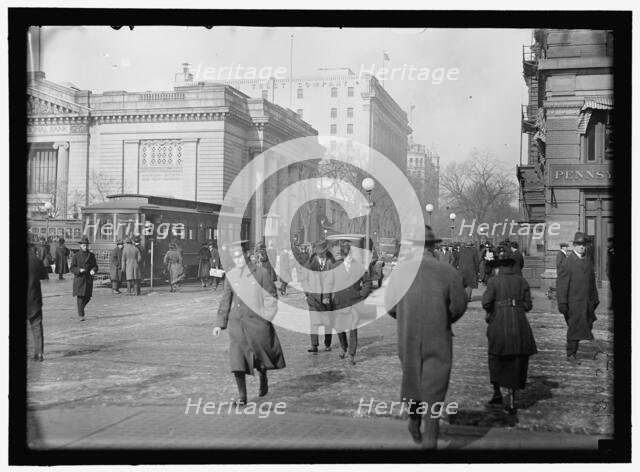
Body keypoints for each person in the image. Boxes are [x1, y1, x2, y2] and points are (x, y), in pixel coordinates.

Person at [385, 226, 467, 448]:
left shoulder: (401, 272)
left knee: (412, 379)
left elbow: (390, 306)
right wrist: (442, 317)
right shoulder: (448, 272)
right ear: (434, 246)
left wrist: (405, 317)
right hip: (438, 336)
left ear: (413, 246)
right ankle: (430, 440)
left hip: (408, 337)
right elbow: (459, 306)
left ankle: (413, 420)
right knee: (434, 387)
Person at [213, 241, 285, 404]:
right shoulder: (231, 276)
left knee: (260, 358)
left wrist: (266, 317)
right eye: (234, 257)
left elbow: (271, 297)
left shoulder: (261, 273)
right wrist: (219, 324)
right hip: (237, 324)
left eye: (239, 256)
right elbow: (225, 300)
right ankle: (242, 397)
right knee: (237, 360)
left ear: (247, 254)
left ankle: (263, 376)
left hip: (257, 323)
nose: (237, 260)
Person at [482, 246, 537, 415]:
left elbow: (485, 302)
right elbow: (528, 305)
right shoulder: (522, 282)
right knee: (517, 359)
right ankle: (512, 398)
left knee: (496, 357)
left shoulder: (494, 281)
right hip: (520, 322)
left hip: (499, 322)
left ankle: (497, 393)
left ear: (499, 266)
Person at [556, 232, 599, 364]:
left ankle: (573, 352)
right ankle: (571, 354)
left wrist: (595, 299)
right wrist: (562, 303)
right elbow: (562, 285)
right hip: (573, 303)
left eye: (584, 244)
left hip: (587, 302)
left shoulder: (587, 261)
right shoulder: (568, 263)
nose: (582, 247)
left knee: (584, 325)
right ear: (574, 245)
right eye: (579, 244)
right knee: (574, 328)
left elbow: (592, 283)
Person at [332, 241, 372, 365]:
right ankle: (343, 346)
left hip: (354, 302)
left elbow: (367, 282)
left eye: (350, 254)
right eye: (346, 254)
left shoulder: (359, 267)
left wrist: (362, 294)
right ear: (343, 255)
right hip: (339, 302)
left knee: (353, 328)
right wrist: (328, 297)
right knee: (339, 327)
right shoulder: (335, 266)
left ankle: (351, 354)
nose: (348, 257)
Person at [302, 240, 335, 354]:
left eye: (322, 253)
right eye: (319, 253)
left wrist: (330, 295)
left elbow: (334, 279)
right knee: (314, 322)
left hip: (328, 296)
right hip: (313, 296)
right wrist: (307, 292)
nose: (320, 254)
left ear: (325, 252)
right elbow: (304, 278)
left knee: (328, 322)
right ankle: (314, 345)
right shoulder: (310, 262)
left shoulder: (331, 262)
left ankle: (327, 344)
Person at [69, 236, 99, 321]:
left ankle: (80, 309)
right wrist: (79, 270)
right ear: (80, 246)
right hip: (80, 279)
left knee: (88, 297)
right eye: (83, 245)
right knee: (80, 297)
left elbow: (95, 266)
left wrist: (93, 270)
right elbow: (72, 268)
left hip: (88, 279)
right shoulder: (76, 256)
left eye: (86, 245)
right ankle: (81, 315)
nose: (85, 247)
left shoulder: (91, 255)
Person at [28, 241, 48, 361]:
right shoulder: (36, 261)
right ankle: (39, 353)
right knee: (36, 326)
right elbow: (44, 276)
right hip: (34, 299)